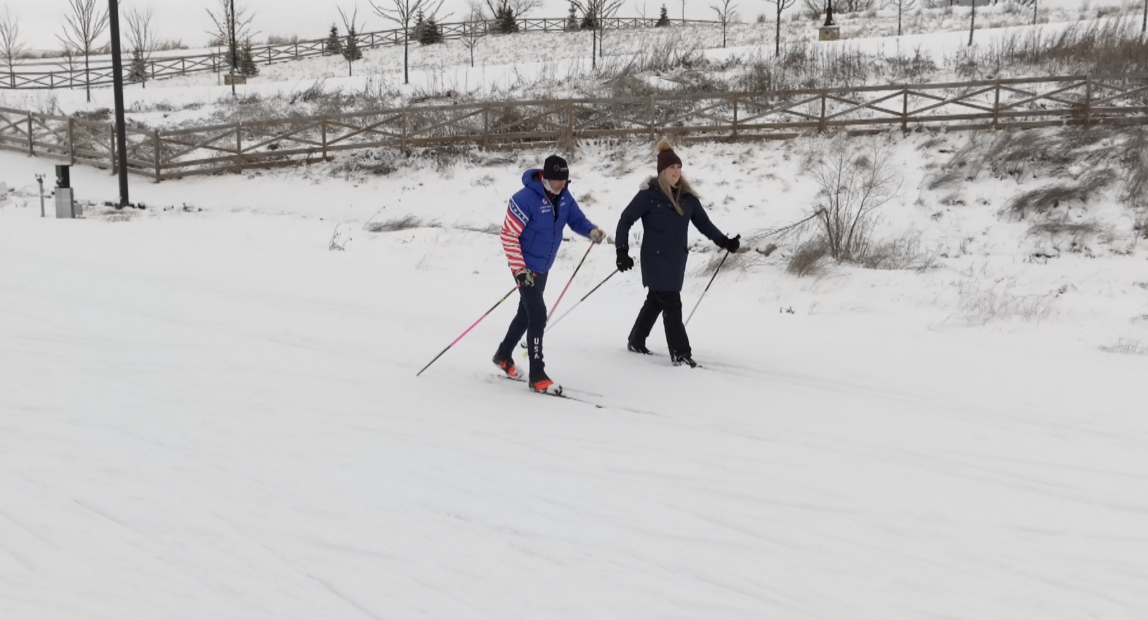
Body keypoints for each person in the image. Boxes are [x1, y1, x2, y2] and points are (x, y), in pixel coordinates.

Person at [614, 139, 740, 368]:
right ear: (662, 170)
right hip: (655, 258)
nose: (676, 171)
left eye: (679, 167)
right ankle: (681, 354)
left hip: (676, 259)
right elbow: (625, 220)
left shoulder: (687, 197)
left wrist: (724, 241)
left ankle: (636, 340)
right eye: (672, 167)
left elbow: (704, 223)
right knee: (672, 304)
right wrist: (622, 250)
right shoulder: (649, 195)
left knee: (655, 300)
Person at [492, 155, 606, 393]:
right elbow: (508, 236)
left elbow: (576, 219)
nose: (562, 185)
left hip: (543, 266)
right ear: (545, 177)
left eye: (565, 180)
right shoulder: (524, 200)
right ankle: (537, 372)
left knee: (525, 315)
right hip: (523, 266)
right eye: (557, 180)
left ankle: (503, 354)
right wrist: (519, 269)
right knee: (538, 314)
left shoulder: (564, 197)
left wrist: (591, 230)